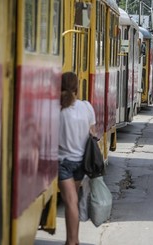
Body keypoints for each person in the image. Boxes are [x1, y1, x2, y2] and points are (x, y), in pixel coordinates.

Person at [58, 72, 96, 245]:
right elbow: (93, 134)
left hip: (63, 163)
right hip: (81, 163)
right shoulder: (86, 107)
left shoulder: (57, 108)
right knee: (72, 202)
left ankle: (72, 241)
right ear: (76, 87)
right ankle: (72, 240)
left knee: (71, 202)